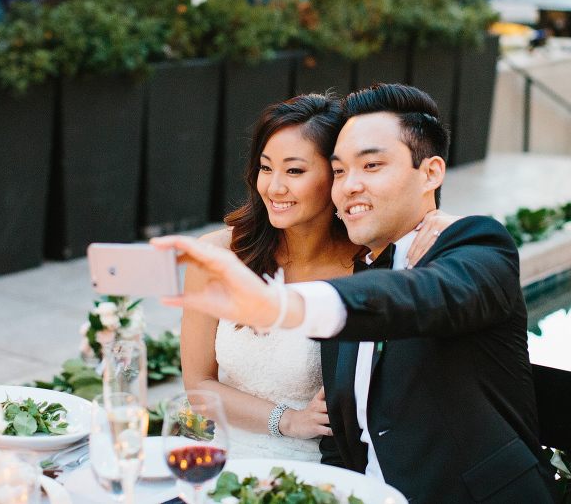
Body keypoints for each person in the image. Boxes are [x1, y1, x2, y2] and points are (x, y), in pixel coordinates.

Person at [156, 84, 558, 503]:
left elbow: (425, 296)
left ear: (431, 173)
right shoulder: (361, 265)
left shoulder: (474, 246)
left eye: (372, 166)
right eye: (341, 171)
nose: (349, 186)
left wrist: (282, 306)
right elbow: (341, 435)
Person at [180, 93, 453, 462]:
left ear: (335, 175)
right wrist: (288, 420)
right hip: (219, 448)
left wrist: (440, 221)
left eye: (294, 171)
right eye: (265, 168)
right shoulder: (219, 255)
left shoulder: (368, 265)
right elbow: (199, 386)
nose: (274, 188)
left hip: (321, 465)